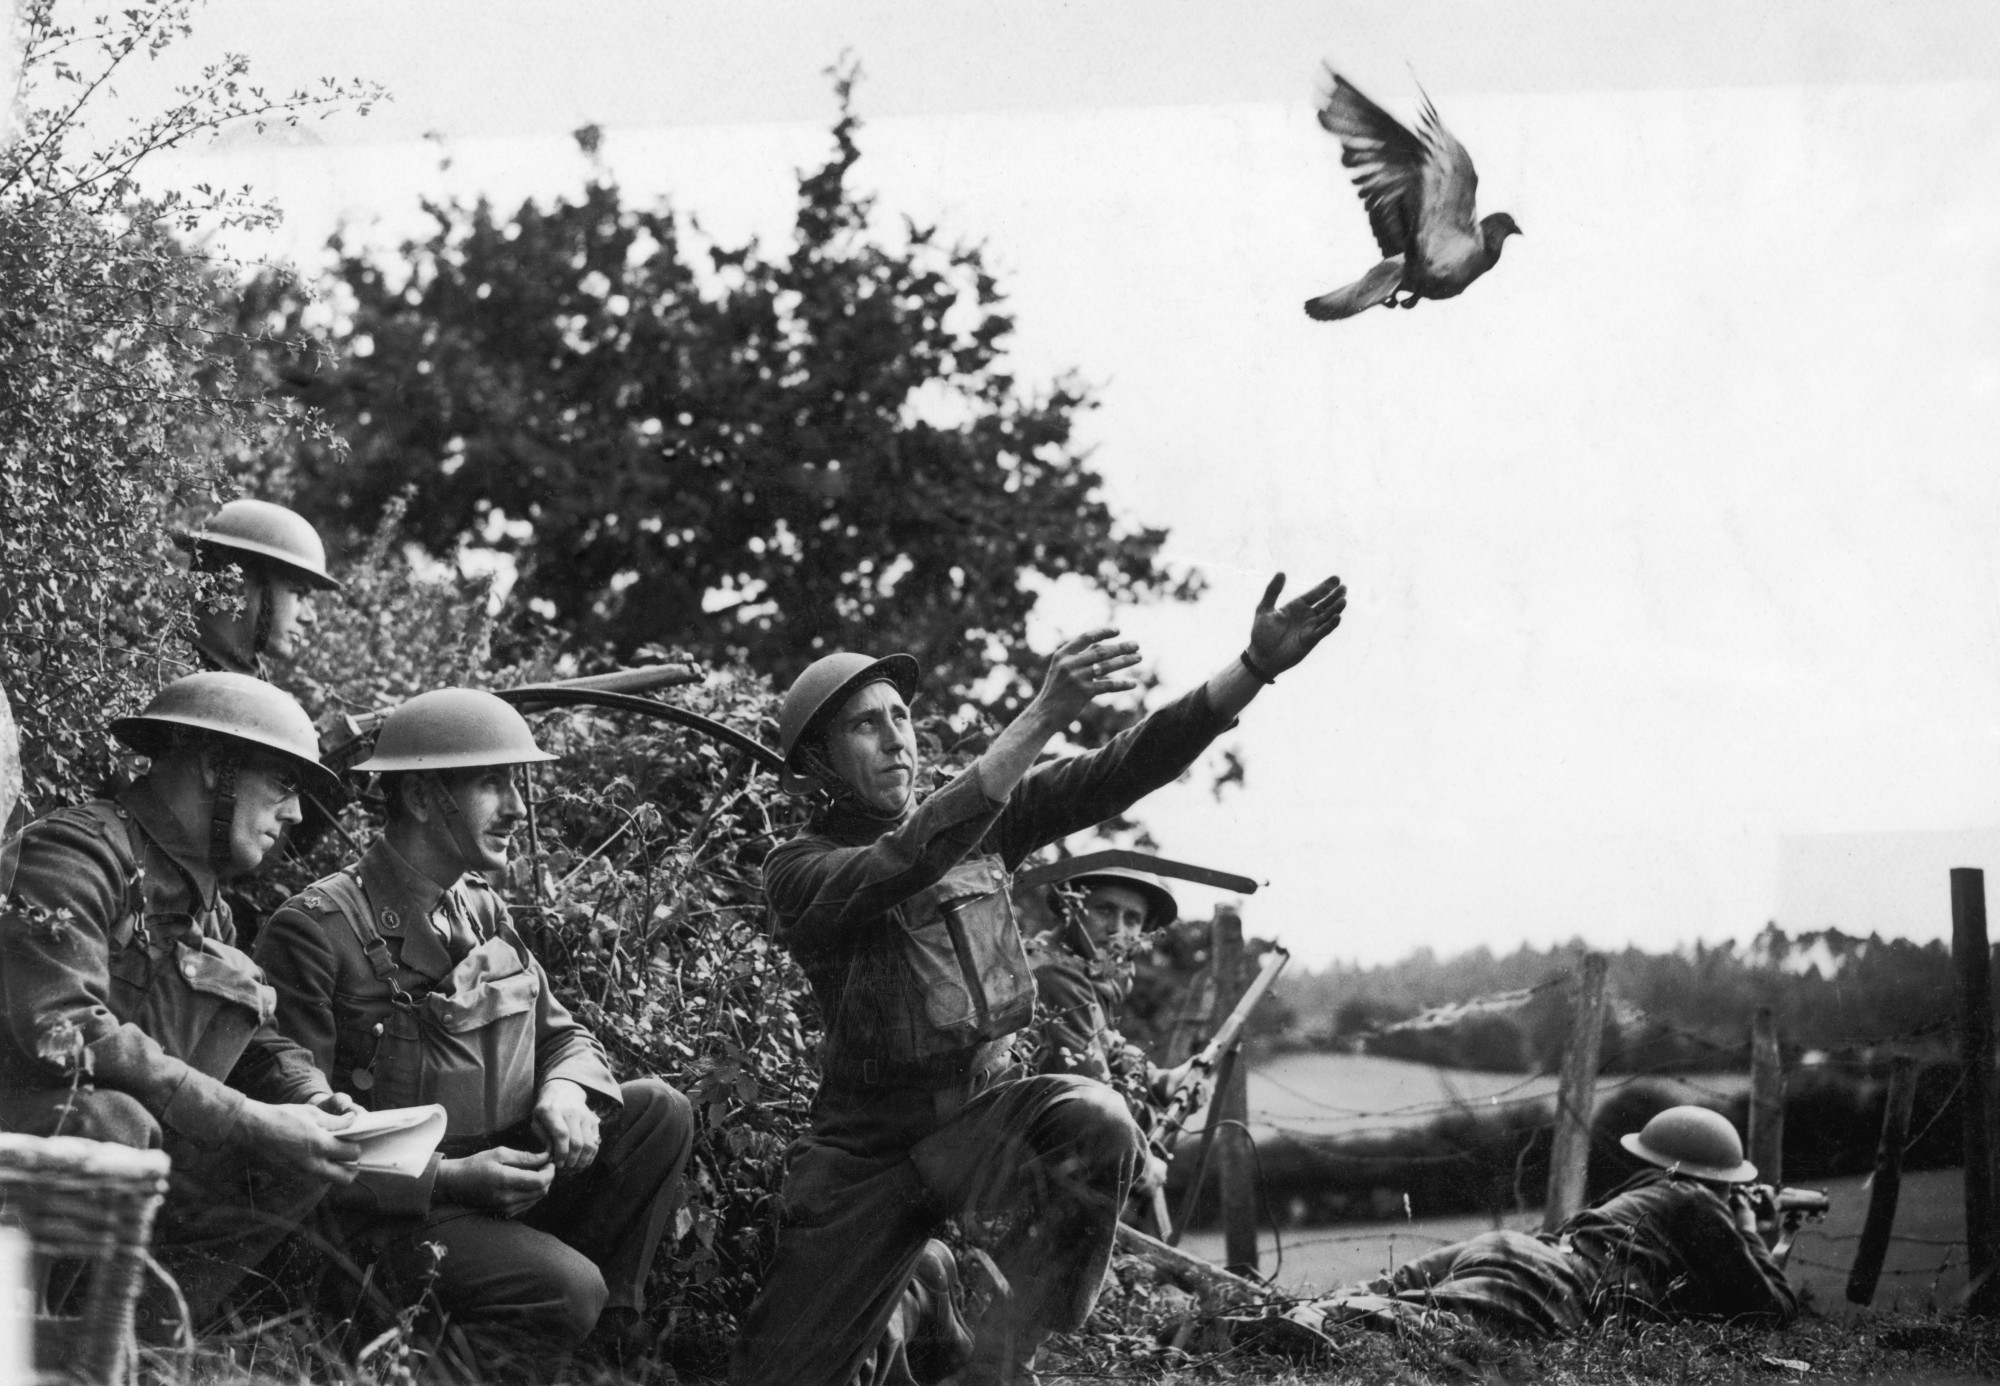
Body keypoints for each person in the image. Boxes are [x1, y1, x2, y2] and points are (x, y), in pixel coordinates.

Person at [732, 571, 1349, 1386]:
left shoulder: (992, 820)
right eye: (865, 727)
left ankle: (998, 1359)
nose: (896, 741)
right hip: (864, 1156)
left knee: (1096, 1118)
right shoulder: (797, 868)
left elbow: (1123, 766)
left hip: (979, 1126)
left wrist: (1252, 668)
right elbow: (905, 857)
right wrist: (1040, 714)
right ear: (816, 761)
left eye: (901, 719)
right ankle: (923, 1284)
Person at [254, 688, 695, 1351]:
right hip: (386, 1224)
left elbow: (563, 1034)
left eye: (515, 783)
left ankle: (598, 1345)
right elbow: (301, 1141)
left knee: (659, 1112)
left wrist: (565, 1090)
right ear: (424, 798)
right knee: (567, 1285)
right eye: (493, 784)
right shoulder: (316, 929)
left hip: (494, 1177)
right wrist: (454, 1178)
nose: (518, 807)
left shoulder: (480, 909)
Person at [0, 672, 363, 1319]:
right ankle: (39, 1338)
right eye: (283, 785)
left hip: (119, 1155)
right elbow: (64, 1032)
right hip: (28, 1139)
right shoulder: (73, 854)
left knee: (304, 1159)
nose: (296, 814)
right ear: (212, 767)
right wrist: (244, 1118)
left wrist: (309, 1099)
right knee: (112, 1123)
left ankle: (141, 1342)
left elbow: (252, 1039)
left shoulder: (204, 900)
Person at [1286, 1105, 1801, 1339]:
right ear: (1720, 1180)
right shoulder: (1697, 1201)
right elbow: (1772, 1310)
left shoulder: (1648, 1196)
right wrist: (1751, 1229)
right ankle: (1316, 1322)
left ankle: (1292, 1311)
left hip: (1514, 1251)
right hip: (1548, 1283)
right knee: (1424, 1322)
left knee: (1388, 1289)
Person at [177, 498, 340, 677]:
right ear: (236, 583)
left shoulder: (251, 682)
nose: (310, 617)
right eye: (299, 595)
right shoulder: (168, 671)